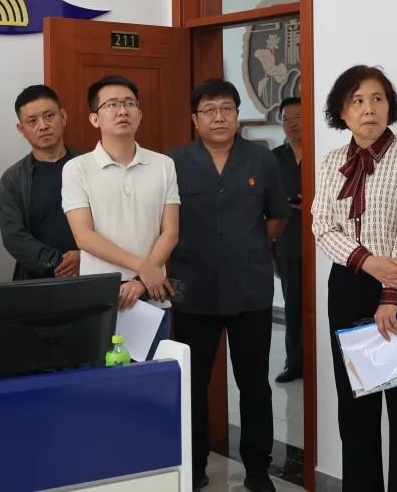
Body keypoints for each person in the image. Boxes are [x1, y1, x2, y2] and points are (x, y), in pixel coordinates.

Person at [311, 65, 397, 492]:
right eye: (358, 101)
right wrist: (366, 261)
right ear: (342, 112)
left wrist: (391, 294)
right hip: (349, 286)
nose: (369, 109)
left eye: (377, 99)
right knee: (356, 410)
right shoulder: (332, 162)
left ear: (390, 106)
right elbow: (322, 227)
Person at [168, 78, 289, 492]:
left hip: (249, 288)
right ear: (195, 118)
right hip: (193, 289)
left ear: (237, 115)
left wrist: (247, 247)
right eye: (209, 110)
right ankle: (195, 464)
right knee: (193, 384)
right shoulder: (174, 162)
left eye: (226, 109)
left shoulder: (261, 159)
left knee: (254, 384)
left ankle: (257, 469)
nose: (218, 117)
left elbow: (277, 216)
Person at [61, 75, 178, 358]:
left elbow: (170, 231)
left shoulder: (163, 164)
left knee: (150, 379)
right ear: (95, 118)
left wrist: (141, 280)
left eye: (129, 104)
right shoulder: (77, 168)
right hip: (101, 298)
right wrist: (142, 266)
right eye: (111, 104)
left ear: (140, 114)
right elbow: (84, 237)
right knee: (102, 381)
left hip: (151, 297)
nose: (122, 110)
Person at [0, 85, 80, 281]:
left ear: (63, 117)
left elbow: (112, 222)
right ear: (21, 129)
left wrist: (86, 257)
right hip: (36, 281)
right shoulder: (13, 179)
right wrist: (59, 263)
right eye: (32, 121)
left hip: (92, 274)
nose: (42, 126)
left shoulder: (91, 165)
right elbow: (13, 236)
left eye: (49, 116)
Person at [272, 96, 303, 383]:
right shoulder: (274, 158)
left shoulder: (321, 154)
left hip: (320, 241)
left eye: (298, 117)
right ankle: (294, 363)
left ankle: (320, 361)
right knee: (293, 305)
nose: (292, 124)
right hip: (287, 240)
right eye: (287, 119)